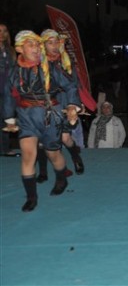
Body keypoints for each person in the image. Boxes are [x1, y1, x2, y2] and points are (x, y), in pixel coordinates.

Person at [3, 30, 80, 212]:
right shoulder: (14, 72)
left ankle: (61, 178)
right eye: (31, 44)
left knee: (53, 154)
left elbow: (70, 85)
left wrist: (71, 106)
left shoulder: (50, 68)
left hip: (48, 116)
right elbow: (8, 95)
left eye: (38, 44)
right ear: (20, 48)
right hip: (26, 117)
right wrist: (9, 118)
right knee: (29, 155)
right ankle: (31, 197)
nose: (37, 48)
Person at [35, 29, 85, 183]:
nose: (54, 46)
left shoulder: (65, 60)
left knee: (64, 137)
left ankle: (76, 158)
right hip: (42, 104)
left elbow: (73, 84)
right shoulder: (36, 62)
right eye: (50, 43)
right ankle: (43, 172)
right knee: (40, 139)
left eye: (56, 42)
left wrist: (74, 104)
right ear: (43, 45)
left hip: (63, 102)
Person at [0, 23, 19, 157]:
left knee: (7, 118)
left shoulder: (11, 50)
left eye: (4, 31)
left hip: (7, 87)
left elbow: (15, 69)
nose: (1, 33)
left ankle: (5, 149)